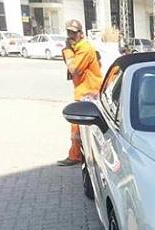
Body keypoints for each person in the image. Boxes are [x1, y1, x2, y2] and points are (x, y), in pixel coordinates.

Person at [57, 19, 103, 167]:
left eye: (73, 33)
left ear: (81, 34)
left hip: (89, 91)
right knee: (79, 128)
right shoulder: (79, 48)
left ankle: (77, 155)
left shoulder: (83, 48)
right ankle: (78, 154)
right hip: (85, 91)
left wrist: (67, 51)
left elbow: (74, 70)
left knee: (79, 127)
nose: (70, 35)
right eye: (68, 32)